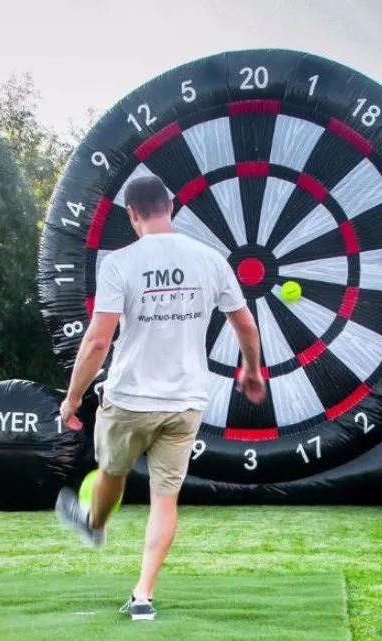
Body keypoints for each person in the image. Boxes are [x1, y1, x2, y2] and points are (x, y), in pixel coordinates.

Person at [54, 175, 266, 621]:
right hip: (186, 401)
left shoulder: (120, 263)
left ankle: (94, 525)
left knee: (111, 471)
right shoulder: (211, 260)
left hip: (129, 397)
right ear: (170, 207)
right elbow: (246, 327)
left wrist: (72, 399)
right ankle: (143, 595)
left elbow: (97, 342)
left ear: (132, 214)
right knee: (164, 498)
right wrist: (250, 370)